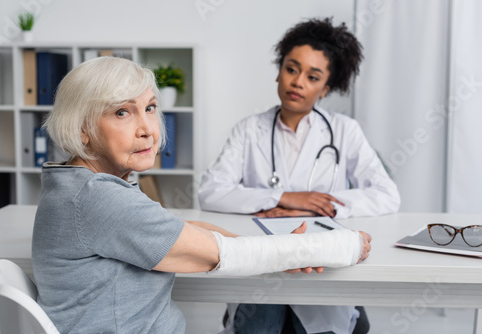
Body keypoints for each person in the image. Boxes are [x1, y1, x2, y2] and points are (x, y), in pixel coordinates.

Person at [31, 56, 372, 334]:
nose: (147, 128)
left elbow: (176, 228)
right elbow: (221, 254)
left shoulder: (72, 184)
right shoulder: (99, 198)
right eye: (122, 112)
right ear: (83, 130)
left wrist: (272, 250)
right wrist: (334, 246)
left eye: (150, 108)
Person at [198, 18, 400, 334]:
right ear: (279, 71)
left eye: (313, 76)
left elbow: (387, 194)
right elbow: (210, 191)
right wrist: (282, 197)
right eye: (292, 69)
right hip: (264, 263)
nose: (298, 82)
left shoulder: (344, 131)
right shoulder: (249, 130)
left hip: (319, 260)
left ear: (326, 88)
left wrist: (314, 208)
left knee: (321, 324)